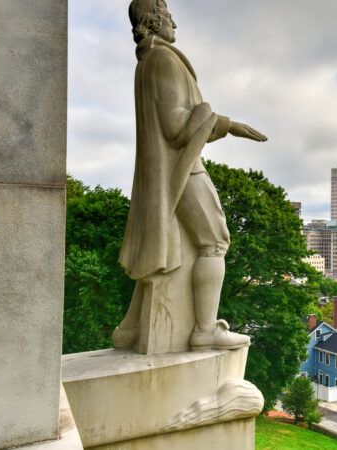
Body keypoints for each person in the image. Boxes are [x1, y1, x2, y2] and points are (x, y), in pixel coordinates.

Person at [114, 0, 266, 350]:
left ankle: (131, 328)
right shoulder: (163, 58)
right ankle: (205, 330)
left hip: (161, 172)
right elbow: (178, 127)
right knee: (215, 241)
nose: (175, 25)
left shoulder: (147, 63)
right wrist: (219, 120)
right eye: (168, 17)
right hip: (181, 169)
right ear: (154, 20)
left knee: (163, 248)